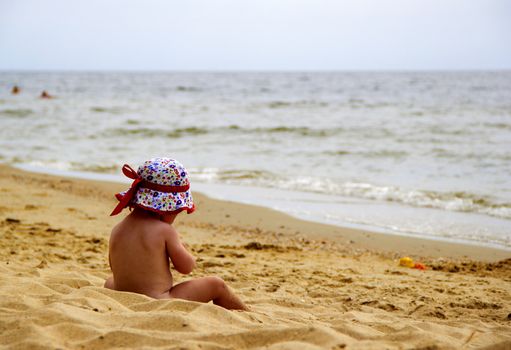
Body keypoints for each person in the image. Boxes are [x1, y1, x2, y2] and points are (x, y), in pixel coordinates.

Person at [105, 157, 248, 310]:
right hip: (159, 301)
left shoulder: (118, 228)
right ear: (167, 207)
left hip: (123, 295)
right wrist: (185, 250)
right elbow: (186, 268)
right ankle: (245, 312)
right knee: (216, 284)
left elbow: (116, 267)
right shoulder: (165, 231)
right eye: (178, 211)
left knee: (109, 281)